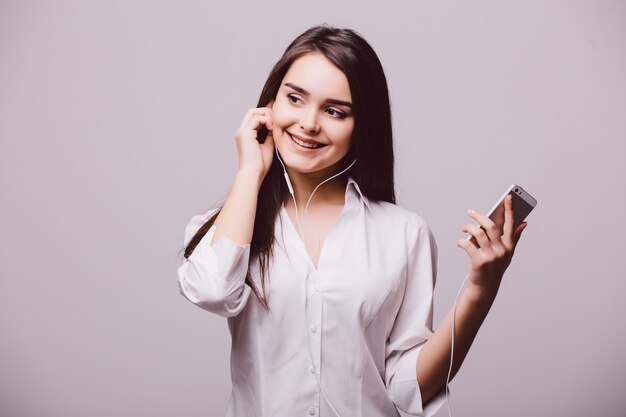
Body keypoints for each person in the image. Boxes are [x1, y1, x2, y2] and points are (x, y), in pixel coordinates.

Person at [177, 24, 527, 417]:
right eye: (295, 99)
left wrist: (481, 288)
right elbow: (211, 290)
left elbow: (405, 388)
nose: (309, 123)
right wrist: (249, 173)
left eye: (334, 111)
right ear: (268, 106)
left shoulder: (403, 233)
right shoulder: (230, 223)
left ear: (361, 127)